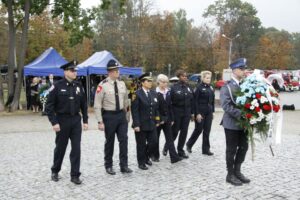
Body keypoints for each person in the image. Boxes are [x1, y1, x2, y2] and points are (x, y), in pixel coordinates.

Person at [46, 60, 88, 185]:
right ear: (65, 72)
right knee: (60, 148)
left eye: (75, 70)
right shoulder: (57, 86)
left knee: (76, 148)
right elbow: (49, 106)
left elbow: (84, 105)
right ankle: (55, 170)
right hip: (62, 120)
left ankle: (75, 175)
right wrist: (54, 122)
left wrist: (85, 120)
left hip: (75, 120)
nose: (75, 72)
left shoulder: (79, 86)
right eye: (72, 70)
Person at [94, 59, 132, 175]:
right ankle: (108, 165)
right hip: (109, 116)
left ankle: (124, 165)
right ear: (110, 72)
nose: (117, 73)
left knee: (124, 140)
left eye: (118, 70)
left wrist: (127, 117)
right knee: (109, 141)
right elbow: (97, 104)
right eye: (115, 71)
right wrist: (100, 121)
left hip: (121, 115)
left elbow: (126, 101)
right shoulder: (102, 85)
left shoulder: (122, 84)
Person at [220, 58, 250, 186]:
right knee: (231, 150)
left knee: (243, 147)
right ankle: (230, 174)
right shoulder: (227, 87)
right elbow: (226, 106)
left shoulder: (246, 85)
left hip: (244, 124)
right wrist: (242, 115)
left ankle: (237, 171)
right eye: (242, 69)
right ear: (234, 70)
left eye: (244, 69)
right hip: (232, 123)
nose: (244, 71)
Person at [131, 73, 160, 170]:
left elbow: (156, 109)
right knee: (141, 145)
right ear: (142, 83)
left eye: (151, 81)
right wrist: (136, 124)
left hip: (151, 123)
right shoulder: (137, 94)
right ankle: (141, 162)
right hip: (141, 124)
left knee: (154, 142)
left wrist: (157, 120)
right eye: (148, 81)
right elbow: (134, 111)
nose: (150, 83)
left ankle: (147, 156)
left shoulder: (153, 93)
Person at [153, 74, 182, 163]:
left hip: (168, 119)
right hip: (158, 120)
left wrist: (172, 118)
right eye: (163, 82)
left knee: (170, 138)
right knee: (155, 138)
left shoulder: (168, 92)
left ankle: (174, 157)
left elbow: (170, 106)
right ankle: (155, 156)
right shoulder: (154, 93)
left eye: (166, 82)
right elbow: (155, 108)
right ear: (158, 82)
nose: (165, 84)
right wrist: (159, 119)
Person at [166, 69, 194, 159]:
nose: (185, 77)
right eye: (183, 76)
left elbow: (192, 101)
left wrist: (192, 113)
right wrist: (171, 116)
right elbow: (169, 102)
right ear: (179, 77)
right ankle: (167, 147)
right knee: (175, 131)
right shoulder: (174, 87)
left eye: (186, 76)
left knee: (184, 132)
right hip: (177, 112)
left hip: (187, 113)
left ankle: (180, 150)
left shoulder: (189, 87)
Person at [186, 71, 215, 155]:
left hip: (208, 112)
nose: (208, 79)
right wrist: (197, 113)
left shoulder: (211, 88)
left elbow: (212, 101)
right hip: (200, 112)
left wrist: (213, 111)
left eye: (209, 78)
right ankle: (189, 144)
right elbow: (195, 101)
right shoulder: (198, 87)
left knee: (207, 131)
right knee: (198, 129)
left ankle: (206, 149)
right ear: (203, 78)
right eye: (206, 78)